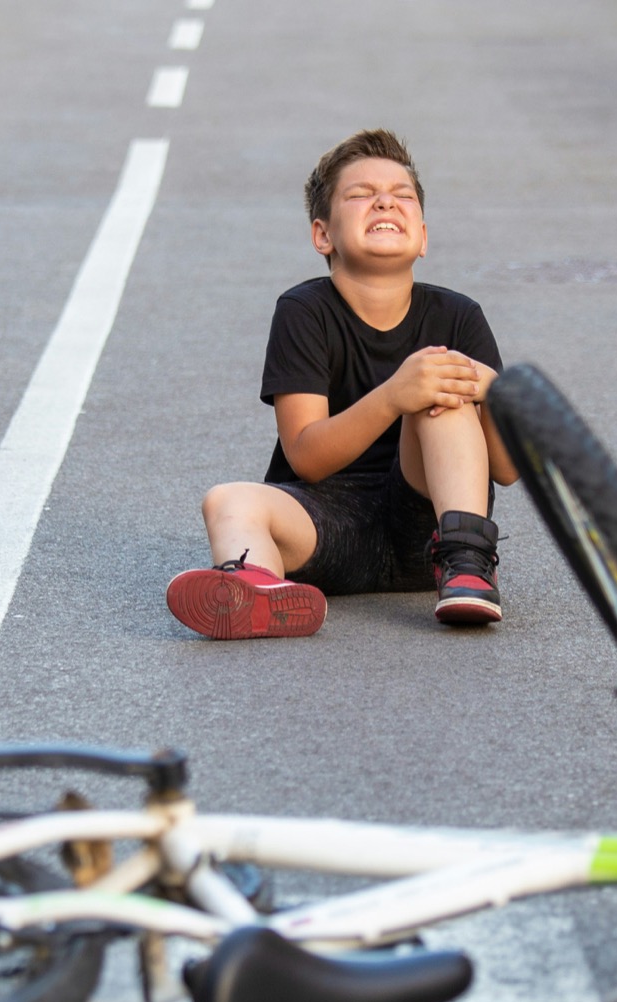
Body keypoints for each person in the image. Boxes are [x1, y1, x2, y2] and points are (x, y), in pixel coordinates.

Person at [164, 129, 517, 640]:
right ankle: (257, 592)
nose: (383, 201)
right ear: (322, 235)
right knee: (227, 500)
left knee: (441, 389)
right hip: (328, 523)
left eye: (402, 196)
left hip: (429, 529)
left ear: (422, 235)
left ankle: (468, 565)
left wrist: (492, 393)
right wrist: (395, 394)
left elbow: (506, 470)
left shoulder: (459, 316)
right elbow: (306, 456)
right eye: (359, 194)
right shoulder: (303, 311)